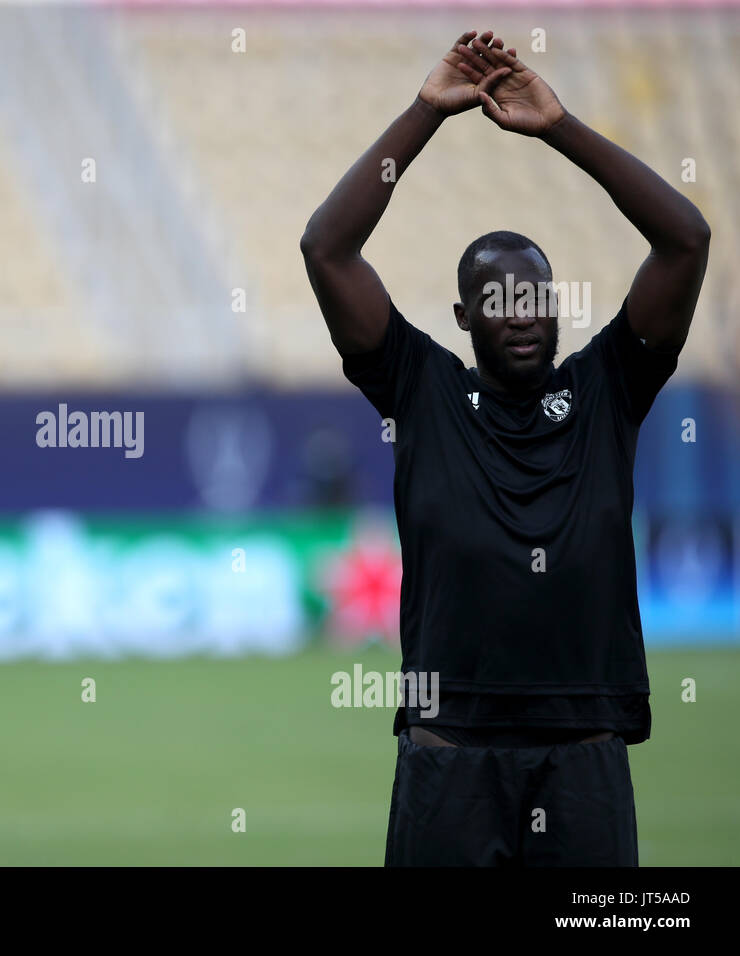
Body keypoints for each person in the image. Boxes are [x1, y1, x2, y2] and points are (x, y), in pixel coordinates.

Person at [299, 30, 709, 865]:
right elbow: (325, 247)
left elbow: (686, 240)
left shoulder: (608, 389)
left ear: (557, 306)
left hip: (584, 757)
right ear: (463, 318)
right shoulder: (424, 388)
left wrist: (558, 127)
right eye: (497, 298)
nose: (520, 311)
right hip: (451, 756)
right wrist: (425, 113)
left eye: (535, 295)